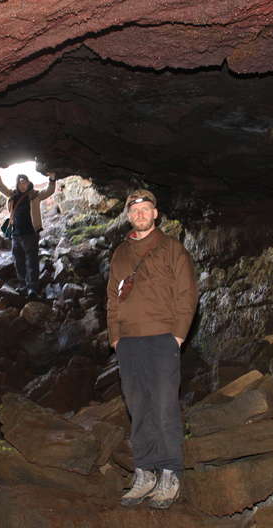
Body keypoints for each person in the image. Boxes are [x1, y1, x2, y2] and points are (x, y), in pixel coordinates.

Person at [106, 189, 198, 510]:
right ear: (129, 215)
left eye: (146, 209)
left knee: (164, 406)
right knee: (138, 407)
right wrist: (115, 337)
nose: (141, 214)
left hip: (162, 338)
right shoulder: (120, 253)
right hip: (129, 341)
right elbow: (112, 300)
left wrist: (177, 336)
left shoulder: (172, 249)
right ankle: (144, 472)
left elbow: (187, 294)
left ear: (156, 214)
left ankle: (170, 471)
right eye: (135, 210)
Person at [0, 166, 56, 298]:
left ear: (28, 183)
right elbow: (0, 186)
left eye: (25, 182)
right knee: (19, 261)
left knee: (32, 261)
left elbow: (50, 191)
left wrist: (52, 178)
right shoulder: (12, 195)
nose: (23, 184)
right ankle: (23, 285)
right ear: (17, 183)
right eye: (21, 182)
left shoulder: (35, 195)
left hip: (31, 234)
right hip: (16, 235)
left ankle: (32, 288)